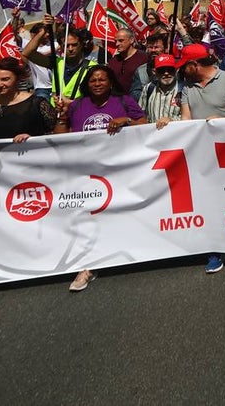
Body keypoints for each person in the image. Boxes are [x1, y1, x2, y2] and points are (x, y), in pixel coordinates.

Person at [0, 57, 58, 303]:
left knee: (44, 221)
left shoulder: (38, 104)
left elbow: (58, 136)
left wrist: (34, 138)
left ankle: (53, 260)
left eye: (5, 79)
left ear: (19, 80)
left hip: (37, 174)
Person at [55, 65, 146, 292]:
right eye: (93, 80)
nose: (97, 84)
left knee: (122, 215)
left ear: (110, 82)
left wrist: (126, 120)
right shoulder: (76, 105)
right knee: (88, 219)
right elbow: (60, 136)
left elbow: (145, 125)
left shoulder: (124, 101)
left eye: (102, 80)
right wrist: (62, 116)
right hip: (86, 172)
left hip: (119, 171)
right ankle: (87, 266)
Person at [178, 42, 225, 274]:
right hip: (199, 154)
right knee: (206, 200)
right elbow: (186, 118)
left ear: (195, 65)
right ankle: (213, 245)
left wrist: (222, 119)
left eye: (185, 66)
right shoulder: (187, 86)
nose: (182, 70)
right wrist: (169, 123)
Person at [139, 54, 183, 128]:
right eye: (161, 70)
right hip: (153, 136)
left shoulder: (183, 90)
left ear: (176, 70)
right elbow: (140, 115)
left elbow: (190, 118)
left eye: (170, 70)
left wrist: (172, 120)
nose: (166, 73)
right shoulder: (149, 88)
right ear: (154, 72)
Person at [107, 28, 147, 95]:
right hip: (117, 100)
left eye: (121, 40)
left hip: (136, 101)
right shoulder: (113, 61)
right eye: (116, 41)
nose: (117, 44)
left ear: (131, 40)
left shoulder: (143, 58)